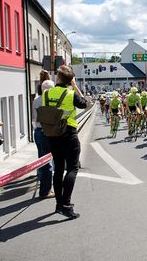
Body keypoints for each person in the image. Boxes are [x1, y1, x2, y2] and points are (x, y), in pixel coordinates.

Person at [43, 65, 86, 219]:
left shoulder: (46, 93)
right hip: (69, 133)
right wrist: (74, 86)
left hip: (52, 134)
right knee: (73, 168)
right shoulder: (70, 93)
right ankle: (66, 205)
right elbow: (84, 103)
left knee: (58, 168)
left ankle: (59, 204)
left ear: (58, 78)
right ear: (70, 80)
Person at [32, 80, 56, 199]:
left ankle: (45, 187)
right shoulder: (50, 100)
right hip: (48, 132)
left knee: (43, 161)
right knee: (48, 163)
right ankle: (46, 190)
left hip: (38, 131)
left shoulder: (36, 100)